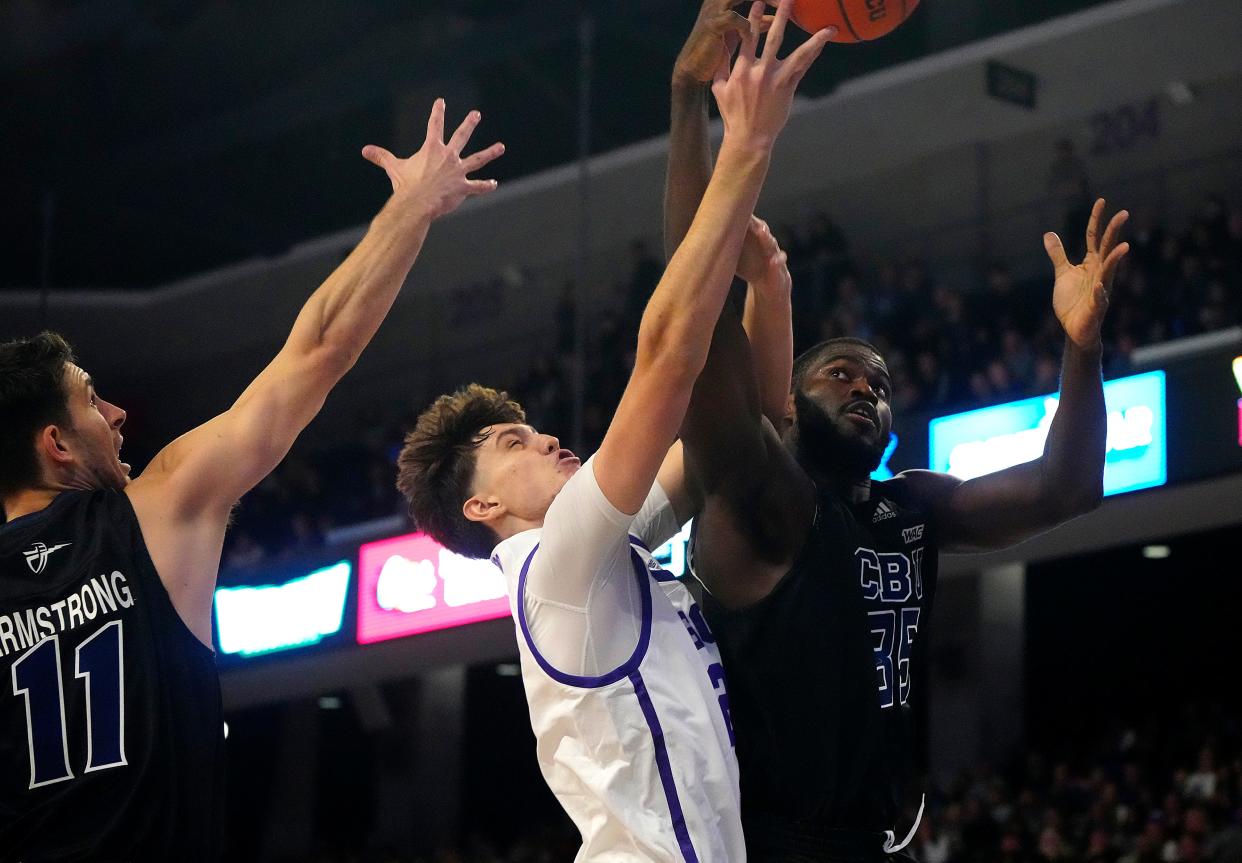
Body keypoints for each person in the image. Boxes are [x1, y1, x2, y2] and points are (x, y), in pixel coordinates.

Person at [666, 6, 1132, 860]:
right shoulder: (759, 491)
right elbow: (692, 323)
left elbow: (1069, 489)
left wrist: (1081, 347)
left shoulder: (908, 507)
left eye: (878, 383)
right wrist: (687, 100)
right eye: (839, 373)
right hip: (769, 838)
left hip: (885, 837)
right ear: (789, 403)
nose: (865, 387)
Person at [0, 99, 503, 861]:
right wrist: (410, 209)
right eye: (92, 401)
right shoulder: (153, 512)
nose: (119, 411)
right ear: (57, 446)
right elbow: (318, 350)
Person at [396, 4, 831, 859]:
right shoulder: (554, 573)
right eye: (514, 442)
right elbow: (670, 359)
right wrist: (745, 146)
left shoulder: (597, 558)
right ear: (481, 504)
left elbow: (741, 438)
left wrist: (768, 287)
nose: (549, 439)